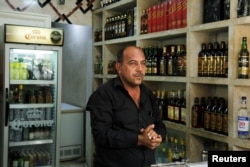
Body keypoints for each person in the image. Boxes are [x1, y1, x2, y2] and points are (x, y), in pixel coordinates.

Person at [86, 45, 167, 167]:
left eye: (143, 63)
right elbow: (101, 135)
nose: (140, 69)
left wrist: (158, 136)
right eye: (133, 63)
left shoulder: (147, 93)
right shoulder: (103, 95)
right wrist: (139, 139)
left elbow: (159, 124)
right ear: (119, 67)